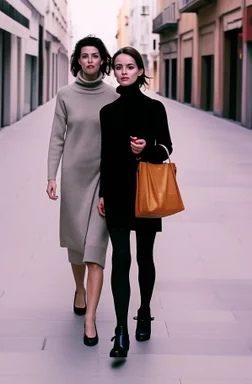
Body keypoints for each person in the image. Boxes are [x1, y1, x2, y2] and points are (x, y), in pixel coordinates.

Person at [98, 46, 173, 358]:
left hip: (146, 191)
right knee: (121, 259)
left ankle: (143, 312)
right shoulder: (107, 112)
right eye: (118, 66)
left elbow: (166, 148)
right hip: (116, 191)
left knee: (144, 257)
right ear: (113, 71)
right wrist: (102, 191)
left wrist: (145, 149)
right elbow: (105, 156)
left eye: (130, 66)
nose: (123, 71)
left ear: (141, 70)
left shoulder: (155, 109)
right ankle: (120, 331)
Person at [46, 35, 118, 347]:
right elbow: (56, 138)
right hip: (74, 178)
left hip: (104, 180)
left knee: (96, 252)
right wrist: (51, 175)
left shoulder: (114, 96)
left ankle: (90, 319)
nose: (90, 61)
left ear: (103, 60)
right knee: (77, 245)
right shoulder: (65, 94)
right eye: (85, 56)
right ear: (79, 60)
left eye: (95, 56)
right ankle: (79, 290)